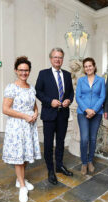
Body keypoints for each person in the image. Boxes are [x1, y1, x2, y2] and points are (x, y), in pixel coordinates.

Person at [2, 56, 41, 202]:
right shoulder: (11, 87)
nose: (24, 73)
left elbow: (34, 105)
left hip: (29, 126)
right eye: (21, 70)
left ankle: (20, 179)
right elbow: (5, 109)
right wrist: (24, 116)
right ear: (16, 71)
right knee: (19, 157)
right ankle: (22, 187)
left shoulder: (31, 88)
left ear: (29, 71)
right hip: (17, 127)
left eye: (26, 70)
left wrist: (36, 113)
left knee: (26, 155)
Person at [35, 47, 74, 185]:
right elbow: (38, 92)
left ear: (63, 59)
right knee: (48, 143)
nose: (58, 59)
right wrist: (49, 101)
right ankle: (50, 170)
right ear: (51, 59)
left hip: (63, 114)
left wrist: (69, 100)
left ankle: (59, 165)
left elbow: (70, 93)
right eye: (55, 57)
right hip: (49, 114)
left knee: (61, 142)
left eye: (60, 57)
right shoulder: (43, 74)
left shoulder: (68, 75)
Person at [76, 57, 105, 175]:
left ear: (94, 66)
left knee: (93, 139)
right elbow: (77, 97)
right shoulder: (80, 80)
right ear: (84, 68)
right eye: (86, 66)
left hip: (97, 113)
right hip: (82, 113)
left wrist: (93, 110)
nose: (88, 68)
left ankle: (90, 161)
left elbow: (102, 96)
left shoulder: (101, 80)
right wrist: (87, 110)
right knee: (84, 139)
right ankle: (83, 162)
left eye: (90, 65)